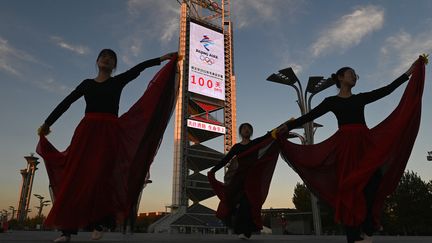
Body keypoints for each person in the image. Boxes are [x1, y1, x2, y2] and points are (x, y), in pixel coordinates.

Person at [277, 56, 426, 243]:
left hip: (365, 145)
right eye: (351, 74)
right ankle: (353, 236)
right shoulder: (331, 101)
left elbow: (386, 90)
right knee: (349, 188)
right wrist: (288, 127)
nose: (354, 76)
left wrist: (409, 73)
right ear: (340, 77)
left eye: (356, 75)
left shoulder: (360, 98)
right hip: (346, 147)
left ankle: (368, 228)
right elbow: (310, 115)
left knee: (373, 183)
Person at [36, 49, 177, 243]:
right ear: (97, 61)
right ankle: (67, 231)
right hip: (86, 133)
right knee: (76, 177)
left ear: (114, 66)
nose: (107, 59)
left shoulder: (117, 82)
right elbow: (66, 102)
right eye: (104, 56)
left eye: (111, 58)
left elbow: (137, 69)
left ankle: (98, 224)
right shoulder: (87, 84)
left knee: (101, 176)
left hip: (109, 134)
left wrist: (160, 59)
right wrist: (47, 123)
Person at [209, 123, 271, 239]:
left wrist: (282, 128)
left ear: (251, 132)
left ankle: (246, 231)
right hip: (239, 179)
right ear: (240, 132)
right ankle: (242, 230)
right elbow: (226, 159)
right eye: (244, 128)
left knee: (248, 203)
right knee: (237, 201)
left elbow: (268, 137)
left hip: (252, 178)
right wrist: (213, 170)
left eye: (248, 128)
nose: (246, 130)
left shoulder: (255, 143)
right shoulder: (237, 147)